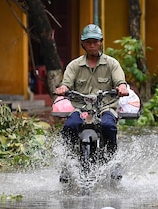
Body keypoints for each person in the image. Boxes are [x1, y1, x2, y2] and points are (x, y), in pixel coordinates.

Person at [54, 24, 129, 160]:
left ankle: (112, 160)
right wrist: (63, 89)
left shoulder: (112, 64)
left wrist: (122, 88)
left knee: (109, 126)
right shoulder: (74, 65)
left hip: (105, 107)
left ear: (101, 42)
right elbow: (66, 84)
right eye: (88, 42)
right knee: (70, 126)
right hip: (81, 108)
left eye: (95, 42)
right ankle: (68, 160)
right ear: (83, 44)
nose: (92, 45)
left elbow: (120, 82)